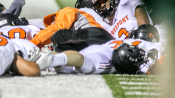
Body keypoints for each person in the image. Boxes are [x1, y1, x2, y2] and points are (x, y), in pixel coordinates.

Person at [32, 24, 161, 75]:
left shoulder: (130, 41)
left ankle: (44, 55)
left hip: (104, 46)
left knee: (69, 64)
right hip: (112, 56)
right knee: (83, 63)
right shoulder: (155, 47)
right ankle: (52, 59)